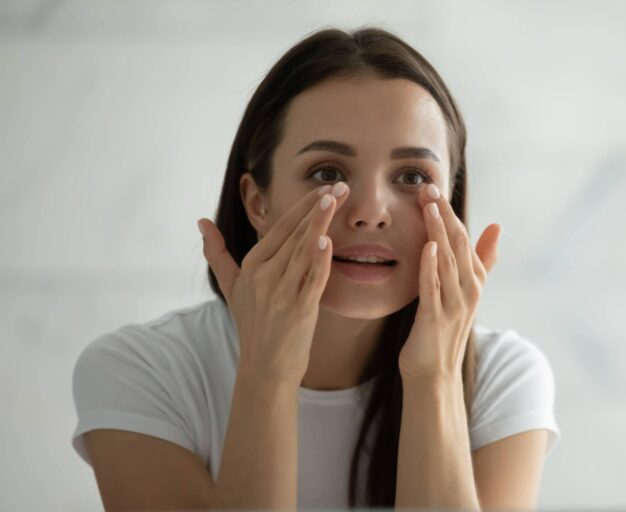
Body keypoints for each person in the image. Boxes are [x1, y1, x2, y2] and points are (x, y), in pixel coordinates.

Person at [71, 26, 561, 510]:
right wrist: (269, 370)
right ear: (257, 202)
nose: (371, 210)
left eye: (412, 176)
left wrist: (434, 378)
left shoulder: (503, 378)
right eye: (328, 173)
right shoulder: (142, 372)